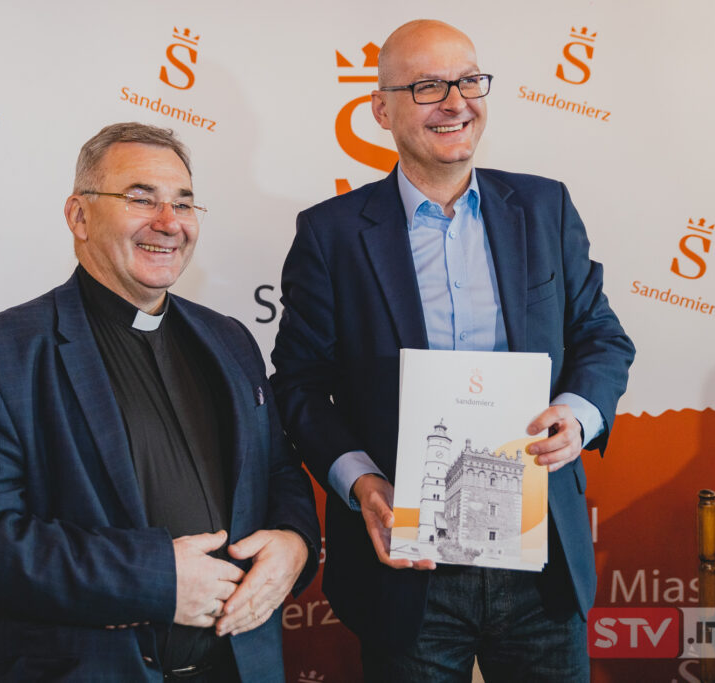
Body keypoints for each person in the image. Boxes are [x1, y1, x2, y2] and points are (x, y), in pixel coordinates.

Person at [270, 19, 635, 682]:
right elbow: (299, 384)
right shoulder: (331, 234)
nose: (455, 102)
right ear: (381, 109)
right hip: (406, 568)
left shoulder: (545, 206)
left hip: (542, 561)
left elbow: (601, 336)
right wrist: (362, 481)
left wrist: (579, 415)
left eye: (468, 81)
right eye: (427, 86)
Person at [0, 122, 320, 683]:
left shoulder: (231, 340)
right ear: (79, 216)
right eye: (140, 199)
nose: (169, 222)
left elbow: (277, 469)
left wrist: (295, 543)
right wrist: (156, 579)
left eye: (183, 203)